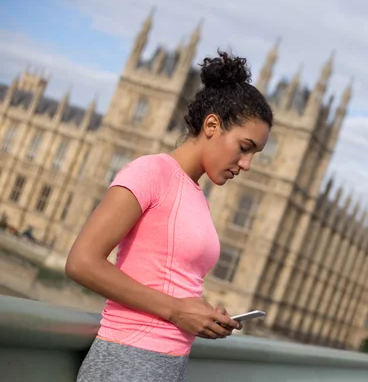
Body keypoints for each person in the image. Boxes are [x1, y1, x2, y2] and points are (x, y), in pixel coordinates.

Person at [65, 50, 273, 382]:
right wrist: (178, 310)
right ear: (211, 125)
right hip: (126, 360)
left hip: (167, 366)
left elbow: (166, 280)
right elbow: (81, 262)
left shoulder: (196, 195)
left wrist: (202, 313)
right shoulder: (151, 171)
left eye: (254, 154)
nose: (246, 164)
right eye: (244, 147)